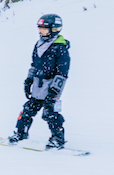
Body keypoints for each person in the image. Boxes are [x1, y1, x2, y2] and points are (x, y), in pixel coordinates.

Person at [8, 14, 70, 149]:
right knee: (27, 111)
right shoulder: (39, 44)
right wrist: (28, 80)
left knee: (51, 113)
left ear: (54, 29)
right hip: (38, 86)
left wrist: (54, 91)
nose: (40, 31)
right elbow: (34, 65)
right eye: (39, 28)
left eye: (44, 29)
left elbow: (62, 73)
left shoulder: (60, 48)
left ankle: (58, 139)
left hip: (52, 88)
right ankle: (21, 133)